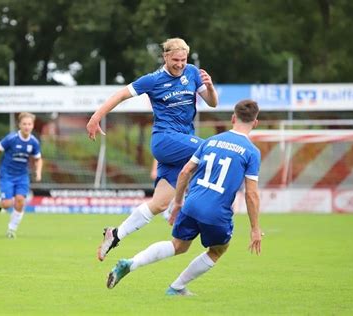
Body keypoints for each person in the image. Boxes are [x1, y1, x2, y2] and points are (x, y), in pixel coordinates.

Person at [106, 99, 262, 295]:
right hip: (216, 211)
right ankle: (176, 288)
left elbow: (184, 172)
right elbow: (252, 194)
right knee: (217, 250)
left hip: (191, 204)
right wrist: (255, 228)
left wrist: (178, 202)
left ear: (233, 118)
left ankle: (131, 263)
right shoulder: (252, 152)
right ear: (255, 123)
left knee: (178, 245)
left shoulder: (211, 141)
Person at [86, 37, 218, 261]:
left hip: (183, 144)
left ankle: (115, 234)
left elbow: (212, 102)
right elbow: (120, 95)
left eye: (183, 60)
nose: (179, 64)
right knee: (211, 148)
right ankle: (213, 208)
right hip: (165, 140)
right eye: (175, 60)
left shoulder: (193, 73)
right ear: (165, 56)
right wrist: (96, 117)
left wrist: (211, 87)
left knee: (159, 203)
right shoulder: (153, 80)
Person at [0, 112, 43, 239]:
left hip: (22, 176)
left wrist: (38, 171)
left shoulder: (34, 142)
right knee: (7, 204)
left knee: (20, 201)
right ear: (19, 125)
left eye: (29, 124)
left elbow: (38, 158)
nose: (27, 126)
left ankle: (11, 230)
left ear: (33, 126)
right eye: (24, 124)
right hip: (7, 174)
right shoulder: (11, 139)